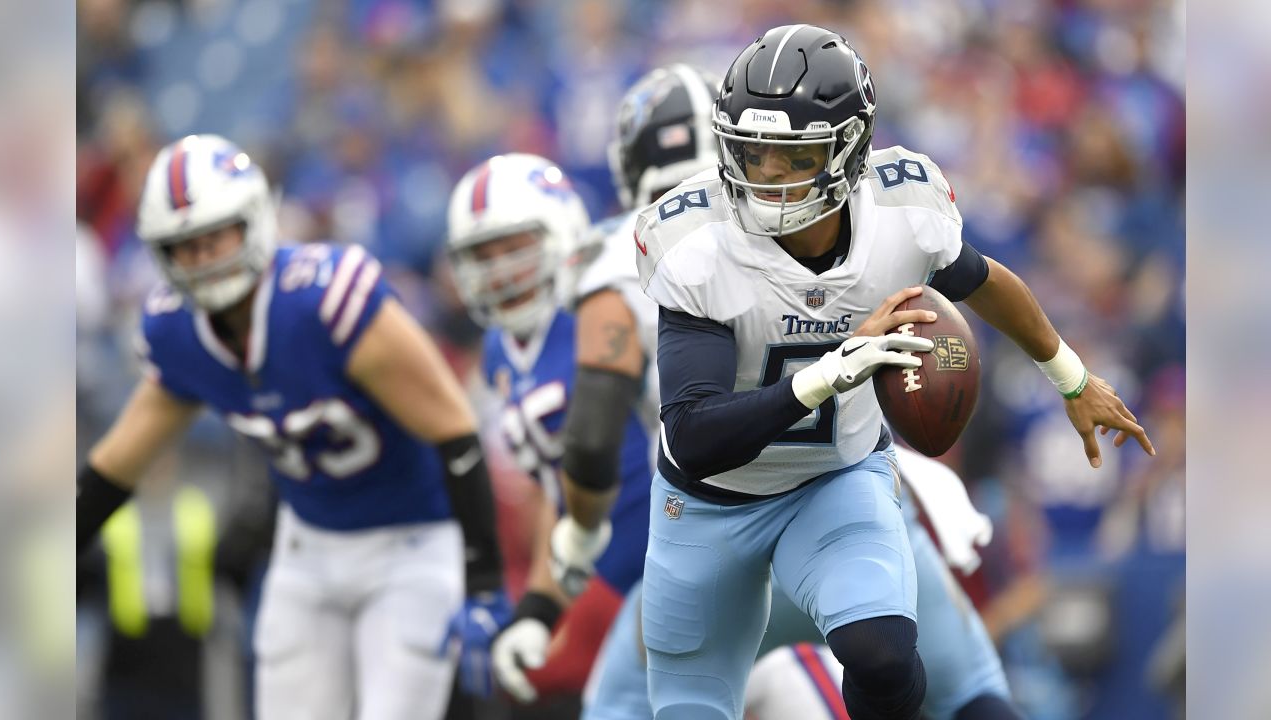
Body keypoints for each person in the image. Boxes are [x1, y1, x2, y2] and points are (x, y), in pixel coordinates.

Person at [623, 26, 1154, 720]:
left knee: (883, 655)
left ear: (848, 151)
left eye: (794, 157)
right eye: (753, 153)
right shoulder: (698, 243)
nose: (766, 176)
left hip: (834, 478)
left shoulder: (902, 216)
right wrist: (832, 370)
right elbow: (693, 434)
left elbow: (983, 280)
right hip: (704, 504)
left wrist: (1071, 378)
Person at [557, 63, 1025, 720]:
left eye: (783, 162)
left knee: (624, 705)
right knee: (958, 684)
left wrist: (570, 552)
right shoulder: (835, 217)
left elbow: (591, 444)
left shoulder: (619, 259)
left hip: (791, 499)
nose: (769, 184)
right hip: (780, 498)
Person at [75, 134, 510, 720]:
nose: (202, 259)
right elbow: (116, 466)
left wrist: (482, 578)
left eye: (212, 237)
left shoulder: (321, 298)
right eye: (183, 246)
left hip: (410, 543)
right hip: (308, 546)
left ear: (254, 222)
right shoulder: (177, 332)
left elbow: (455, 427)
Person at [442, 152, 654, 707]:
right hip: (602, 572)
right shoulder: (497, 354)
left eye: (515, 248)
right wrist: (542, 602)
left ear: (563, 232)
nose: (501, 271)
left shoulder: (609, 308)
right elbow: (555, 502)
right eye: (482, 257)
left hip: (675, 554)